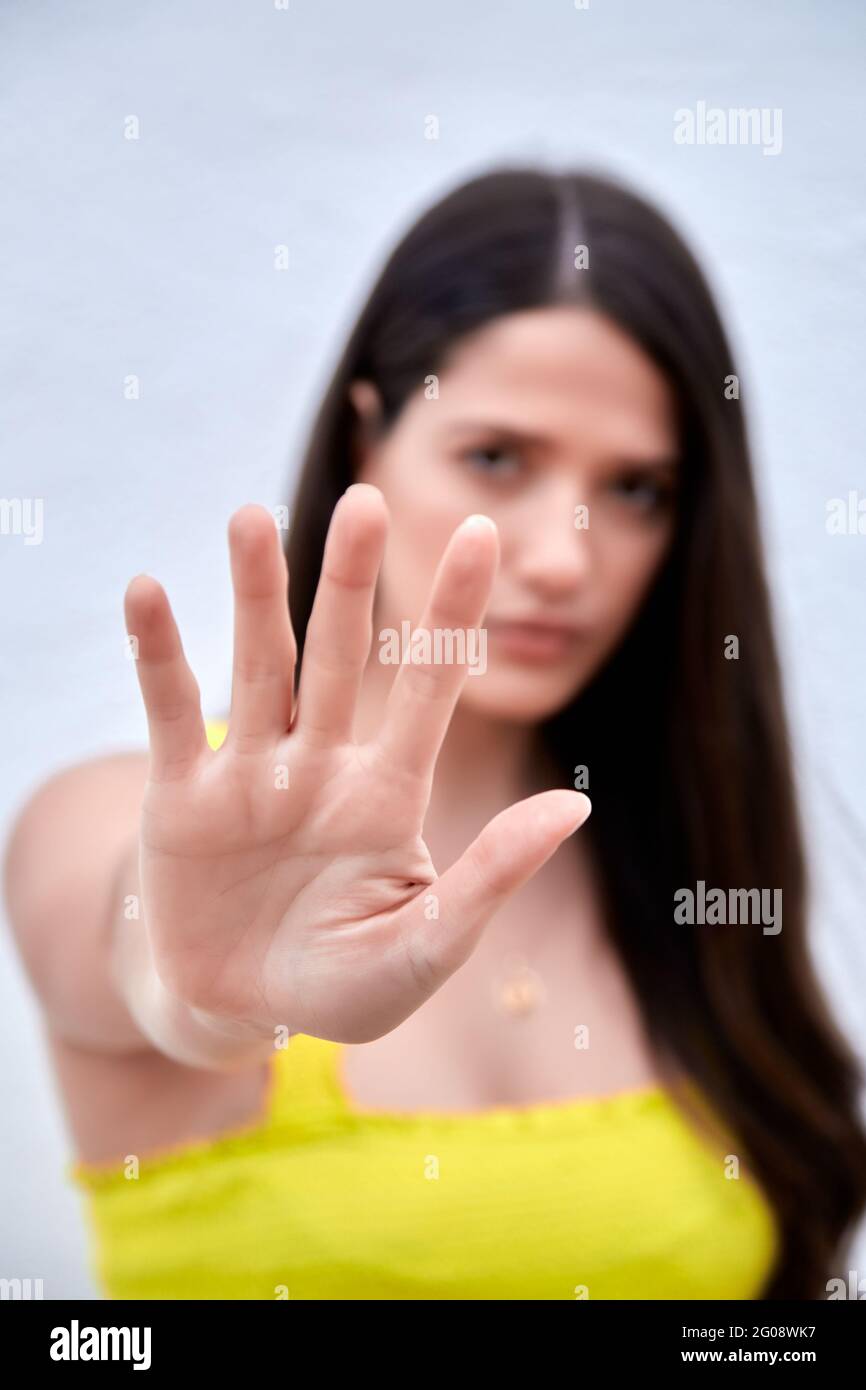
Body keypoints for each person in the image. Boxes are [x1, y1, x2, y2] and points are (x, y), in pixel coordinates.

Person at [5, 167, 866, 1301]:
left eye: (638, 490)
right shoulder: (117, 823)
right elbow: (151, 969)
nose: (564, 556)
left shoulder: (679, 870)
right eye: (497, 457)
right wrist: (219, 991)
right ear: (369, 436)